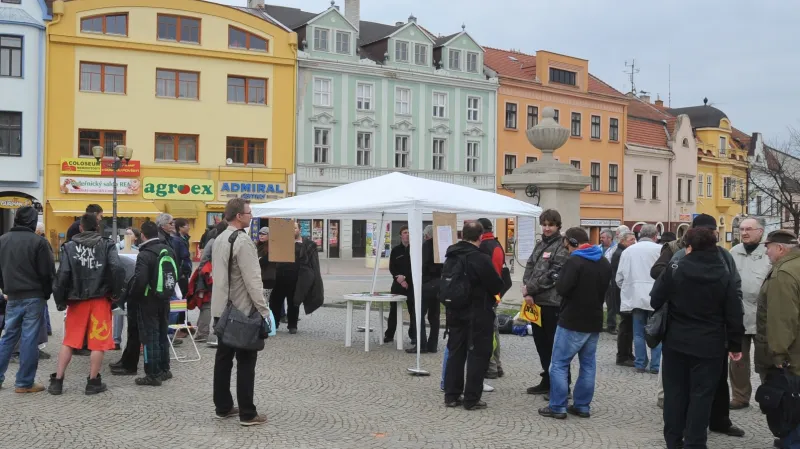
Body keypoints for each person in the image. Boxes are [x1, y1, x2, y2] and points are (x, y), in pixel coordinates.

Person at [650, 227, 744, 449]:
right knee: (702, 396)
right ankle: (695, 442)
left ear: (689, 247)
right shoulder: (723, 273)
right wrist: (734, 343)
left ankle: (673, 441)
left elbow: (655, 300)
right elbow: (734, 310)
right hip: (709, 344)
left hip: (676, 341)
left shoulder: (675, 268)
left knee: (674, 394)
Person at [538, 227, 611, 420]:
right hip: (594, 319)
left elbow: (562, 289)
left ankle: (558, 406)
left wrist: (558, 277)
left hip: (572, 319)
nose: (566, 249)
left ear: (573, 242)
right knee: (588, 365)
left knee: (559, 364)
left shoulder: (575, 261)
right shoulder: (603, 261)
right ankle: (582, 406)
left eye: (567, 246)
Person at [211, 198, 270, 426]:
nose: (251, 215)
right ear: (239, 216)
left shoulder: (220, 238)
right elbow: (253, 280)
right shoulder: (243, 241)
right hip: (241, 310)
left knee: (223, 359)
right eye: (248, 212)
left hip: (222, 307)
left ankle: (223, 406)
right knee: (246, 360)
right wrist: (264, 310)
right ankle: (247, 413)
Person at [49, 212, 123, 395]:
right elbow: (117, 269)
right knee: (98, 343)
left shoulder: (69, 247)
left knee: (69, 341)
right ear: (97, 228)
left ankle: (57, 381)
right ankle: (92, 382)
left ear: (80, 227)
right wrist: (116, 294)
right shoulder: (107, 244)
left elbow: (63, 275)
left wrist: (60, 300)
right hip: (100, 300)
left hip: (77, 301)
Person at [443, 221, 505, 410]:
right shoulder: (480, 258)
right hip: (477, 312)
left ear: (462, 235)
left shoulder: (451, 255)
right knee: (478, 354)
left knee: (455, 352)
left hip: (454, 311)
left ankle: (451, 395)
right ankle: (471, 398)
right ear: (480, 236)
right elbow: (496, 285)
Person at [0, 206, 55, 393]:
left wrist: (4, 288)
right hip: (34, 295)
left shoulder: (2, 240)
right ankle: (24, 382)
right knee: (29, 339)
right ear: (32, 222)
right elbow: (47, 272)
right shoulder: (38, 242)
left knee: (7, 337)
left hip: (13, 295)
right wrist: (46, 293)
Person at [755, 230, 800, 449]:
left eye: (768, 247)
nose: (766, 252)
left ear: (780, 249)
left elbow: (783, 319)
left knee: (790, 403)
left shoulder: (783, 273)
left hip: (793, 355)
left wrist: (778, 353)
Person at [522, 209, 570, 395]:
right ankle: (547, 380)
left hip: (553, 303)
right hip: (535, 303)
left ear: (558, 225)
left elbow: (554, 274)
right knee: (541, 344)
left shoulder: (562, 246)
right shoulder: (540, 244)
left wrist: (530, 289)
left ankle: (562, 385)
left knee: (554, 347)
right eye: (544, 224)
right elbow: (529, 267)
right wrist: (527, 291)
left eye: (551, 225)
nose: (547, 228)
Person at [124, 221, 177, 387]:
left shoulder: (145, 254)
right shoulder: (168, 249)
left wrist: (132, 295)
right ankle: (164, 369)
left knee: (149, 336)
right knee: (162, 333)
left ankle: (152, 374)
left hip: (148, 300)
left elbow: (140, 281)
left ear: (143, 235)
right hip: (165, 297)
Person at [728, 217, 771, 410]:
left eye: (749, 229)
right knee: (737, 359)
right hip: (739, 314)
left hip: (764, 316)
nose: (744, 232)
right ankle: (740, 395)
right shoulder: (733, 252)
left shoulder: (768, 253)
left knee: (766, 358)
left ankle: (769, 395)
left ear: (760, 232)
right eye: (741, 229)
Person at [616, 224, 662, 374]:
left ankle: (640, 363)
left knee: (638, 332)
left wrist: (629, 289)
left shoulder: (628, 251)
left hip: (635, 297)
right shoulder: (660, 250)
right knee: (656, 331)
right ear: (655, 236)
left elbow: (619, 278)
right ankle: (655, 365)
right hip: (655, 297)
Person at [269, 221, 323, 334]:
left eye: (295, 228)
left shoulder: (307, 244)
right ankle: (275, 323)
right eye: (290, 229)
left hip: (296, 278)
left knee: (294, 302)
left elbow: (312, 263)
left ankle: (292, 325)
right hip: (280, 277)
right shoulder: (282, 242)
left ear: (299, 229)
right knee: (275, 302)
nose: (293, 230)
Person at [477, 218, 506, 378]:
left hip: (486, 296)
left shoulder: (483, 247)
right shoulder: (497, 245)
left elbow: (491, 274)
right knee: (493, 331)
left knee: (489, 332)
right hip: (495, 294)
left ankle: (492, 367)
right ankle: (497, 365)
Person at [386, 225, 416, 345]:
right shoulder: (395, 250)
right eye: (405, 232)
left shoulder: (415, 250)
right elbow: (392, 267)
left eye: (409, 232)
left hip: (411, 284)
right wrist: (399, 278)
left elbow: (415, 267)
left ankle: (414, 335)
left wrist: (406, 278)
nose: (407, 234)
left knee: (413, 310)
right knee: (393, 310)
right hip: (398, 284)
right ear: (400, 235)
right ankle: (389, 334)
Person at [416, 225, 443, 354]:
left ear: (427, 235)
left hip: (427, 283)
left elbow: (424, 264)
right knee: (434, 316)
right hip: (438, 283)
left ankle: (422, 345)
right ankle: (433, 345)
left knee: (420, 315)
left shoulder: (427, 245)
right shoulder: (441, 245)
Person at [612, 231, 636, 367]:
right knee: (625, 325)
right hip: (621, 293)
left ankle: (627, 352)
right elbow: (620, 277)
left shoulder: (624, 252)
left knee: (629, 325)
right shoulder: (620, 254)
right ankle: (622, 355)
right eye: (631, 240)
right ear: (623, 241)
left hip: (624, 293)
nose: (634, 242)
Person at [599, 228, 617, 334]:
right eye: (600, 237)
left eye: (603, 237)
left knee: (611, 304)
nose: (601, 239)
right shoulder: (597, 248)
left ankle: (611, 325)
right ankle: (599, 324)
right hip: (599, 278)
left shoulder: (615, 248)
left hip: (611, 279)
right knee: (598, 303)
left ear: (609, 238)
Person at [257, 226, 277, 313]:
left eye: (264, 234)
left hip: (268, 277)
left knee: (264, 302)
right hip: (259, 277)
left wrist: (258, 259)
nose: (261, 236)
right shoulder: (258, 245)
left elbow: (263, 260)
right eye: (260, 234)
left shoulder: (272, 247)